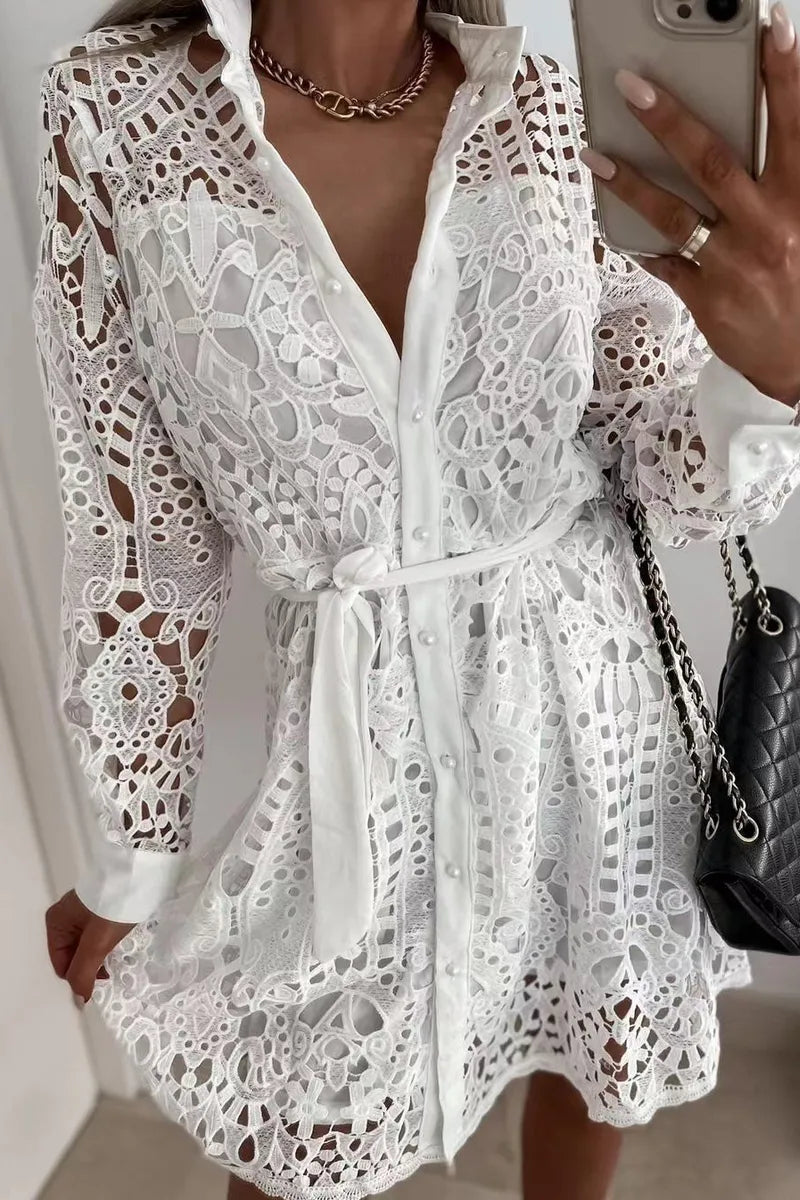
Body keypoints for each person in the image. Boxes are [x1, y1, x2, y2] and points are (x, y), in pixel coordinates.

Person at [32, 1, 800, 1197]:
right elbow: (139, 536)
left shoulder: (548, 111)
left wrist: (769, 376)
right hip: (350, 760)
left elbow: (655, 463)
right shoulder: (115, 115)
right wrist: (136, 854)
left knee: (595, 1045)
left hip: (590, 719)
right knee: (294, 1140)